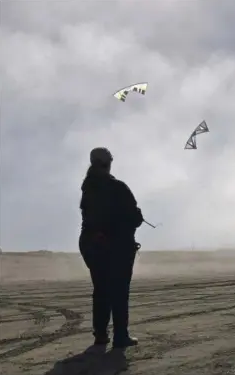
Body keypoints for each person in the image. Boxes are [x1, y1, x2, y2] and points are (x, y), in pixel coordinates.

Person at [79, 147, 144, 348]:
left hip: (91, 244)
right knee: (118, 291)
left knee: (101, 289)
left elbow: (88, 216)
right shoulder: (117, 187)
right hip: (115, 247)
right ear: (108, 163)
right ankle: (120, 336)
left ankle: (100, 334)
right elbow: (134, 218)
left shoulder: (87, 187)